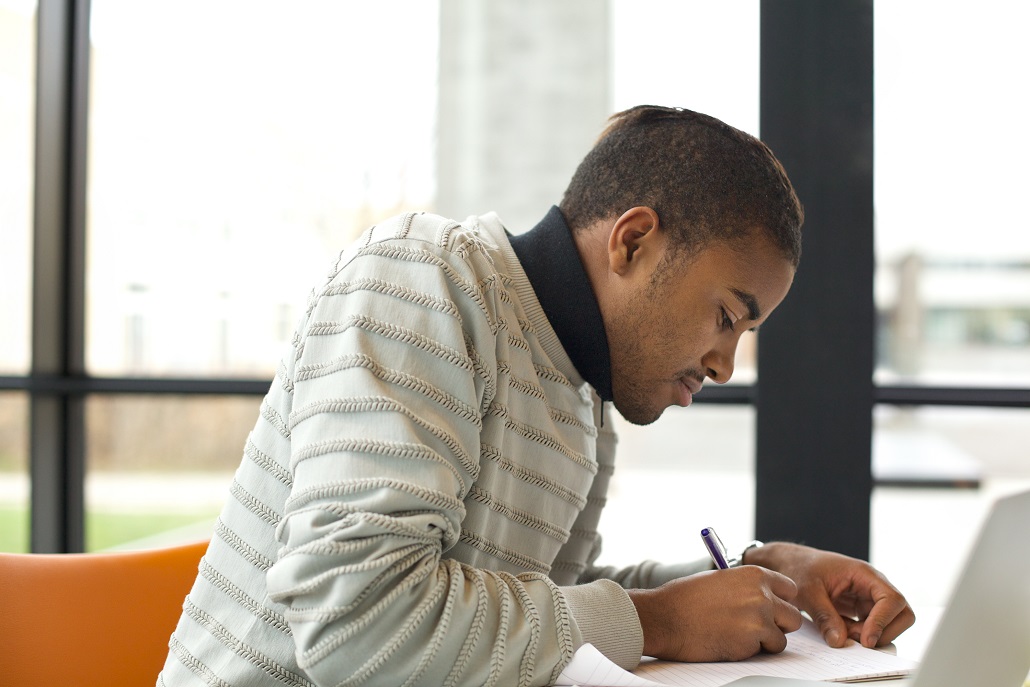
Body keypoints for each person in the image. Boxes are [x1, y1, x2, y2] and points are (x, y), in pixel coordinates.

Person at [158, 105, 914, 687]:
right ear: (632, 242)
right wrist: (657, 621)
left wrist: (757, 575)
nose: (724, 363)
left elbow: (536, 604)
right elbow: (358, 620)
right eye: (727, 316)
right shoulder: (423, 284)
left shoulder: (584, 390)